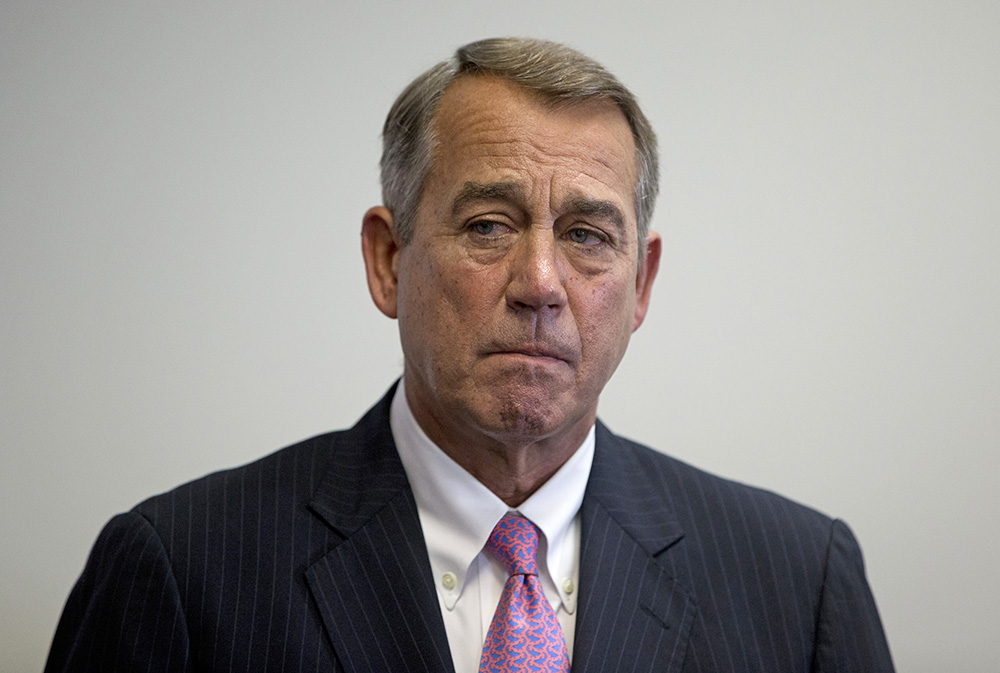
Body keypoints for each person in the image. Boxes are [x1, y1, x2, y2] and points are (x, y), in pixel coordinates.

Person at [45, 37, 894, 673]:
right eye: (488, 225)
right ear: (388, 259)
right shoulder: (183, 569)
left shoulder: (800, 579)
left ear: (641, 287)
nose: (539, 282)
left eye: (589, 236)